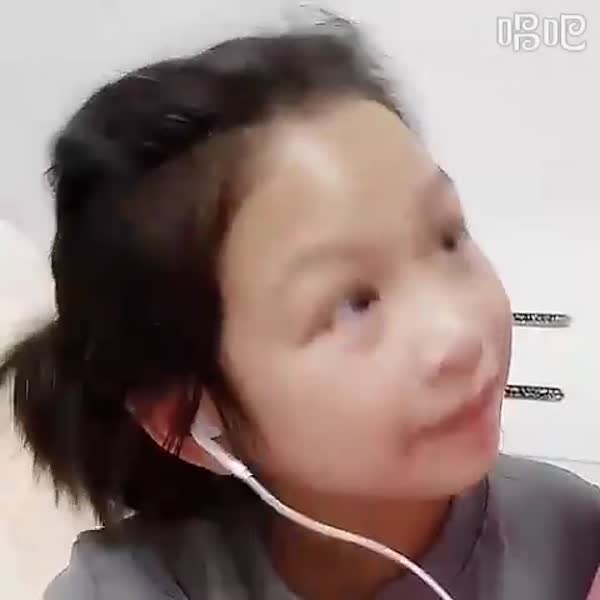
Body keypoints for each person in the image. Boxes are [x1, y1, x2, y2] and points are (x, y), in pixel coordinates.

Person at [1, 16, 600, 600]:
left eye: (448, 238)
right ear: (192, 419)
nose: (459, 335)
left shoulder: (576, 542)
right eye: (354, 304)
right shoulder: (121, 589)